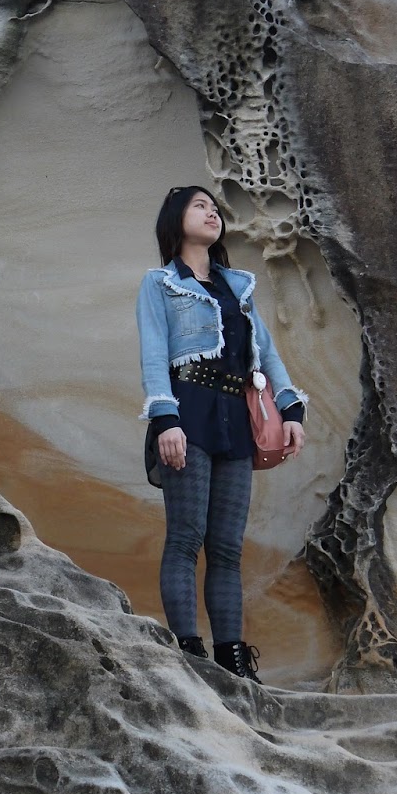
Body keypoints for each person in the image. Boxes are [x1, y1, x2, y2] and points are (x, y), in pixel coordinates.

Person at [136, 185, 307, 684]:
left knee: (228, 547)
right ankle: (188, 653)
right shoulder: (160, 284)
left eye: (215, 208)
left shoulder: (238, 287)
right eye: (200, 206)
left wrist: (290, 407)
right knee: (186, 537)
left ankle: (232, 660)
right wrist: (165, 420)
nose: (212, 213)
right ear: (176, 219)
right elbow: (153, 354)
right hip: (188, 411)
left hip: (236, 416)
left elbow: (266, 353)